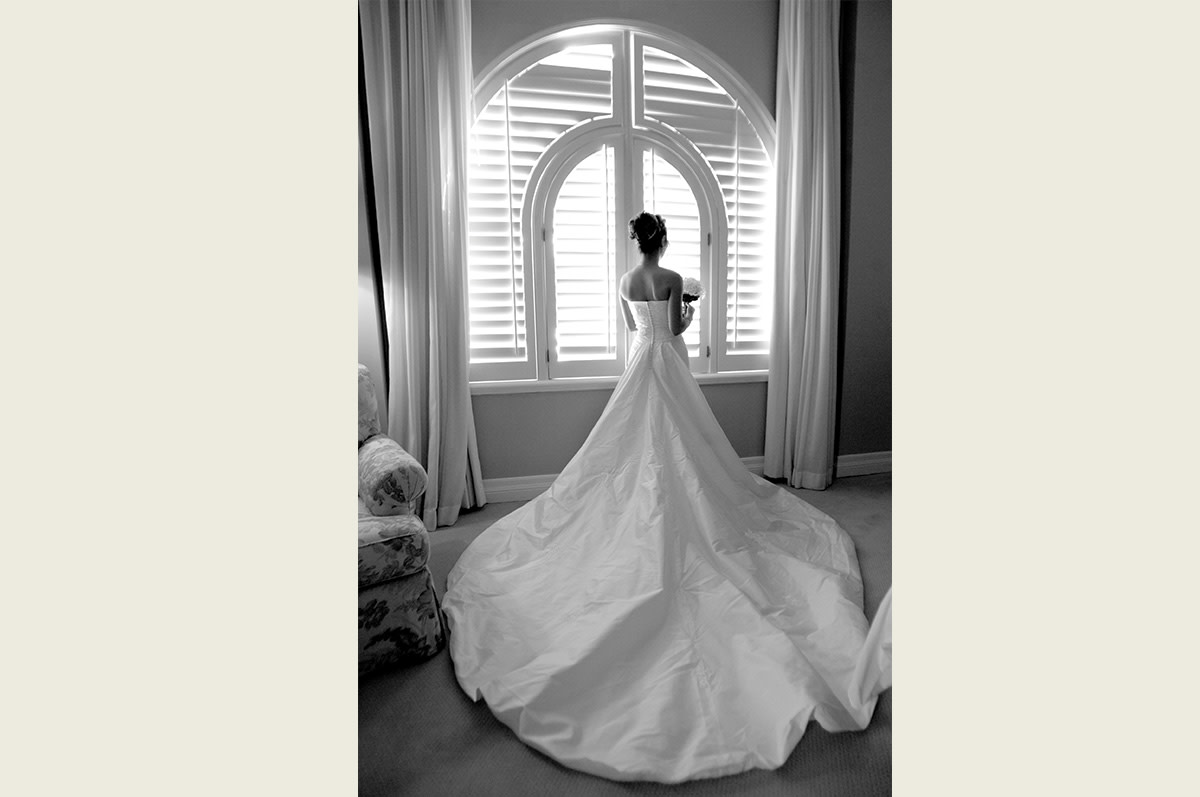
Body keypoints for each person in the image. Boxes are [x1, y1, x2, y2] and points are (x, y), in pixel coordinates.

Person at [442, 212, 891, 784]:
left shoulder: (627, 281)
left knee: (634, 447)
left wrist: (660, 319)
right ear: (665, 242)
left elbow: (640, 328)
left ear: (637, 242)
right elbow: (676, 332)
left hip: (638, 363)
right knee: (685, 444)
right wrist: (691, 306)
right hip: (669, 364)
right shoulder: (674, 276)